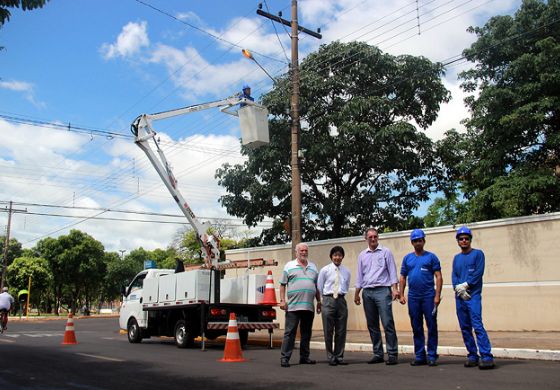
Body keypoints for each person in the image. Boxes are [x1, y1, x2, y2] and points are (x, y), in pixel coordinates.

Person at [354, 227, 400, 365]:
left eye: (375, 236)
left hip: (382, 291)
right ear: (366, 239)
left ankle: (392, 353)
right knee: (372, 324)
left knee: (387, 322)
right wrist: (357, 293)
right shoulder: (362, 255)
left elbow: (392, 270)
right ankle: (378, 353)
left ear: (378, 237)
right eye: (370, 237)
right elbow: (359, 275)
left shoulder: (386, 252)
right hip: (367, 292)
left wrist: (395, 289)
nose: (373, 239)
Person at [452, 226, 495, 370]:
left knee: (477, 325)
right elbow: (454, 276)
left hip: (473, 296)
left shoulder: (478, 254)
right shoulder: (456, 258)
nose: (464, 241)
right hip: (460, 297)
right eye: (461, 239)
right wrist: (458, 289)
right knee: (465, 327)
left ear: (470, 240)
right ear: (458, 241)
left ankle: (486, 356)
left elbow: (478, 273)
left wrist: (466, 285)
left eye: (466, 238)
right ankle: (472, 355)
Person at [399, 229, 443, 367]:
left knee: (431, 326)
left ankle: (431, 355)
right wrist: (401, 294)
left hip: (429, 296)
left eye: (420, 240)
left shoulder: (431, 257)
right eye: (415, 241)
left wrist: (437, 296)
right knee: (416, 326)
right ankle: (419, 355)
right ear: (412, 242)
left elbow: (439, 276)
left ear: (424, 241)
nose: (418, 243)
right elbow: (402, 277)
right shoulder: (407, 258)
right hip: (413, 297)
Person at [279, 242, 321, 368]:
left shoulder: (313, 267)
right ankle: (285, 357)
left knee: (306, 333)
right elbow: (282, 284)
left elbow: (316, 286)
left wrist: (319, 301)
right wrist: (282, 300)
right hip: (293, 307)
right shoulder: (289, 266)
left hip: (309, 307)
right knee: (290, 333)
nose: (303, 252)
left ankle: (304, 357)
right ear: (296, 252)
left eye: (305, 250)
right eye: (301, 250)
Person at [317, 246, 351, 366]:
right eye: (335, 255)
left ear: (342, 257)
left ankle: (339, 356)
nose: (337, 257)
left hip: (341, 300)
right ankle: (330, 356)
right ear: (331, 257)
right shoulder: (325, 270)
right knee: (328, 330)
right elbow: (319, 287)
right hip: (328, 300)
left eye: (339, 255)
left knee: (341, 330)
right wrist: (320, 302)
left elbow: (346, 286)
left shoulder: (346, 271)